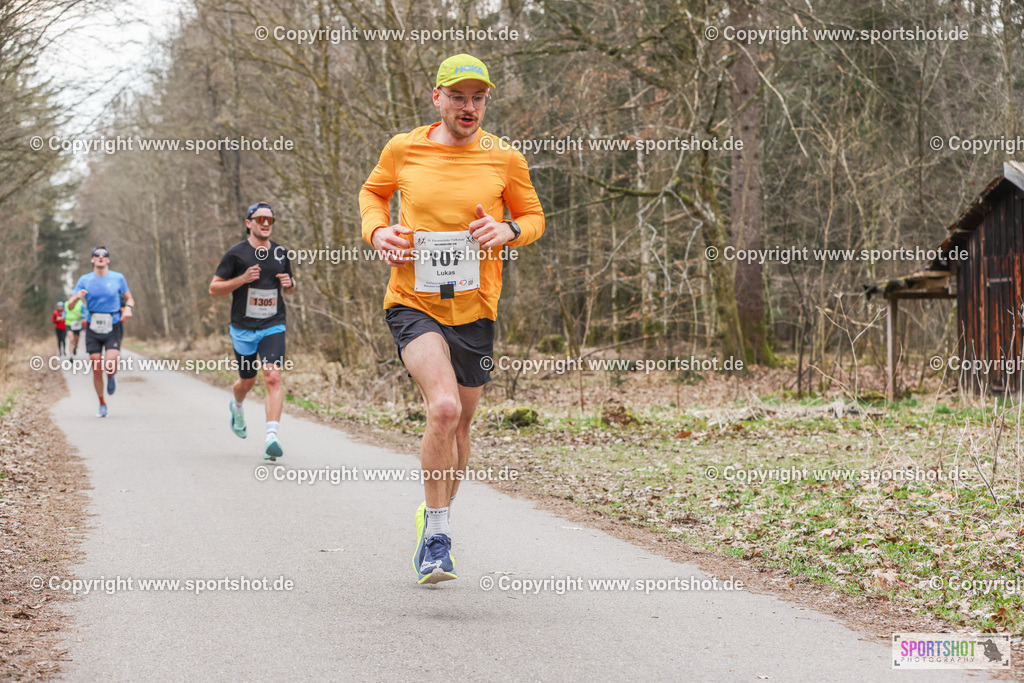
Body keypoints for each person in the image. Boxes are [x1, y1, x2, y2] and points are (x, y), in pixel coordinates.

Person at [359, 54, 544, 584]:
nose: (469, 107)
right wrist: (378, 232)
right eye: (458, 96)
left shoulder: (504, 157)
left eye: (478, 98)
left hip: (476, 308)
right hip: (412, 301)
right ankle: (438, 539)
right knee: (442, 408)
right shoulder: (404, 148)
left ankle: (432, 513)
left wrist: (508, 231)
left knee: (461, 425)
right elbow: (373, 194)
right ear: (436, 96)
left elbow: (533, 217)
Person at [209, 202, 295, 461]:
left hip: (273, 324)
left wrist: (290, 284)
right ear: (249, 223)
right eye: (260, 219)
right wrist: (242, 279)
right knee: (247, 381)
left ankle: (271, 437)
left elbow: (289, 287)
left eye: (270, 219)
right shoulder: (236, 254)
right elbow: (214, 289)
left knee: (273, 377)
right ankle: (236, 406)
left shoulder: (281, 253)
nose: (266, 223)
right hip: (243, 329)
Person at [67, 246, 134, 417]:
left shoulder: (118, 278)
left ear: (108, 259)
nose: (101, 257)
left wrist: (128, 309)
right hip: (93, 326)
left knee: (110, 364)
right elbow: (70, 306)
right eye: (97, 255)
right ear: (92, 259)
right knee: (96, 367)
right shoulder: (84, 280)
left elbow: (129, 298)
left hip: (113, 324)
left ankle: (111, 376)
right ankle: (102, 403)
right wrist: (76, 298)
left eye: (104, 255)